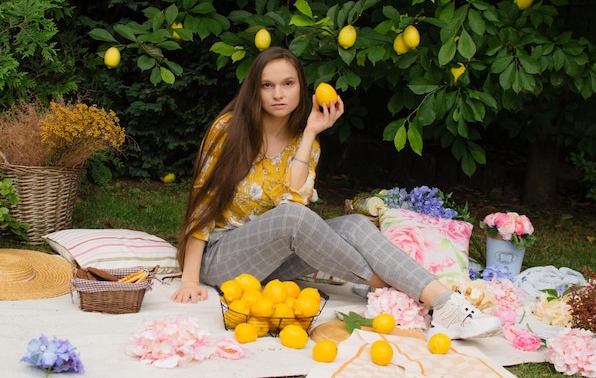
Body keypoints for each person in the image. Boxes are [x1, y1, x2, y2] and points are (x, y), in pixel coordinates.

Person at [171, 46, 501, 339]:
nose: (278, 94)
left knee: (354, 225)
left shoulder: (307, 144)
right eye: (267, 85)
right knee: (295, 220)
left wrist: (312, 130)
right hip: (222, 258)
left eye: (288, 83)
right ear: (253, 90)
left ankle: (446, 306)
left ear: (302, 88)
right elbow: (204, 203)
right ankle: (401, 287)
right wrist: (189, 280)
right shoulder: (227, 130)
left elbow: (293, 200)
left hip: (274, 263)